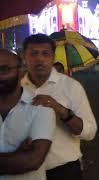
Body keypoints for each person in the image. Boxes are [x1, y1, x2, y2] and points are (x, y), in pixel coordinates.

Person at [21, 34, 97, 180]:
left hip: (64, 171)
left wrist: (62, 111)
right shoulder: (15, 88)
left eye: (45, 53)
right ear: (25, 57)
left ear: (53, 57)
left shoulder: (71, 87)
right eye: (34, 53)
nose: (39, 59)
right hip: (25, 172)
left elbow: (90, 132)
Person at [0, 49, 56, 180]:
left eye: (4, 69)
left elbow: (33, 160)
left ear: (21, 71)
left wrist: (23, 159)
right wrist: (16, 157)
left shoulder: (40, 107)